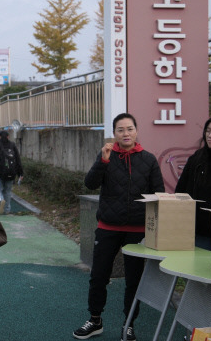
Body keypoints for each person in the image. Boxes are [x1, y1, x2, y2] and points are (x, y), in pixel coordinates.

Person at [73, 113, 165, 341]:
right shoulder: (106, 155)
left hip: (137, 230)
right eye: (121, 130)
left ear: (136, 131)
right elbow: (90, 183)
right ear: (114, 133)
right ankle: (95, 320)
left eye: (130, 129)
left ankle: (129, 324)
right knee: (98, 276)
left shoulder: (149, 159)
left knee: (134, 280)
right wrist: (102, 161)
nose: (126, 133)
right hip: (107, 227)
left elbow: (159, 195)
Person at [175, 113, 211, 251]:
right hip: (197, 232)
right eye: (207, 131)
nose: (210, 135)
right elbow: (180, 191)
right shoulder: (197, 159)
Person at [0, 130, 24, 215]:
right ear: (8, 137)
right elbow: (18, 160)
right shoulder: (12, 145)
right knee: (8, 191)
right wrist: (20, 173)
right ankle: (7, 210)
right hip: (11, 173)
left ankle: (0, 202)